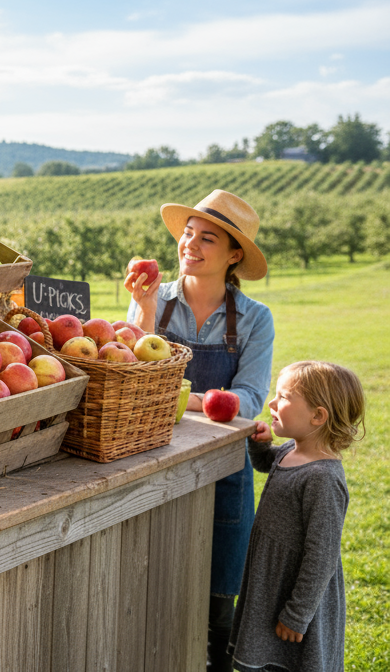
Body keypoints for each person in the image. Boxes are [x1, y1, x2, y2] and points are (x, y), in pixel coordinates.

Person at [125, 190, 275, 672]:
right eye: (187, 234)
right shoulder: (155, 301)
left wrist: (171, 397)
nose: (190, 244)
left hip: (223, 475)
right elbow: (130, 377)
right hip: (155, 464)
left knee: (217, 611)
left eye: (206, 238)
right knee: (151, 597)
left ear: (234, 256)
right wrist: (143, 312)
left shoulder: (255, 319)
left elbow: (249, 404)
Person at [230, 361, 364, 672]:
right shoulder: (292, 449)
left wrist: (297, 614)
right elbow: (270, 465)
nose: (272, 403)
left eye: (284, 397)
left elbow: (322, 556)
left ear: (318, 416)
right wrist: (261, 446)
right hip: (272, 581)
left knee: (293, 662)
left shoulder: (322, 478)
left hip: (296, 592)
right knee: (269, 659)